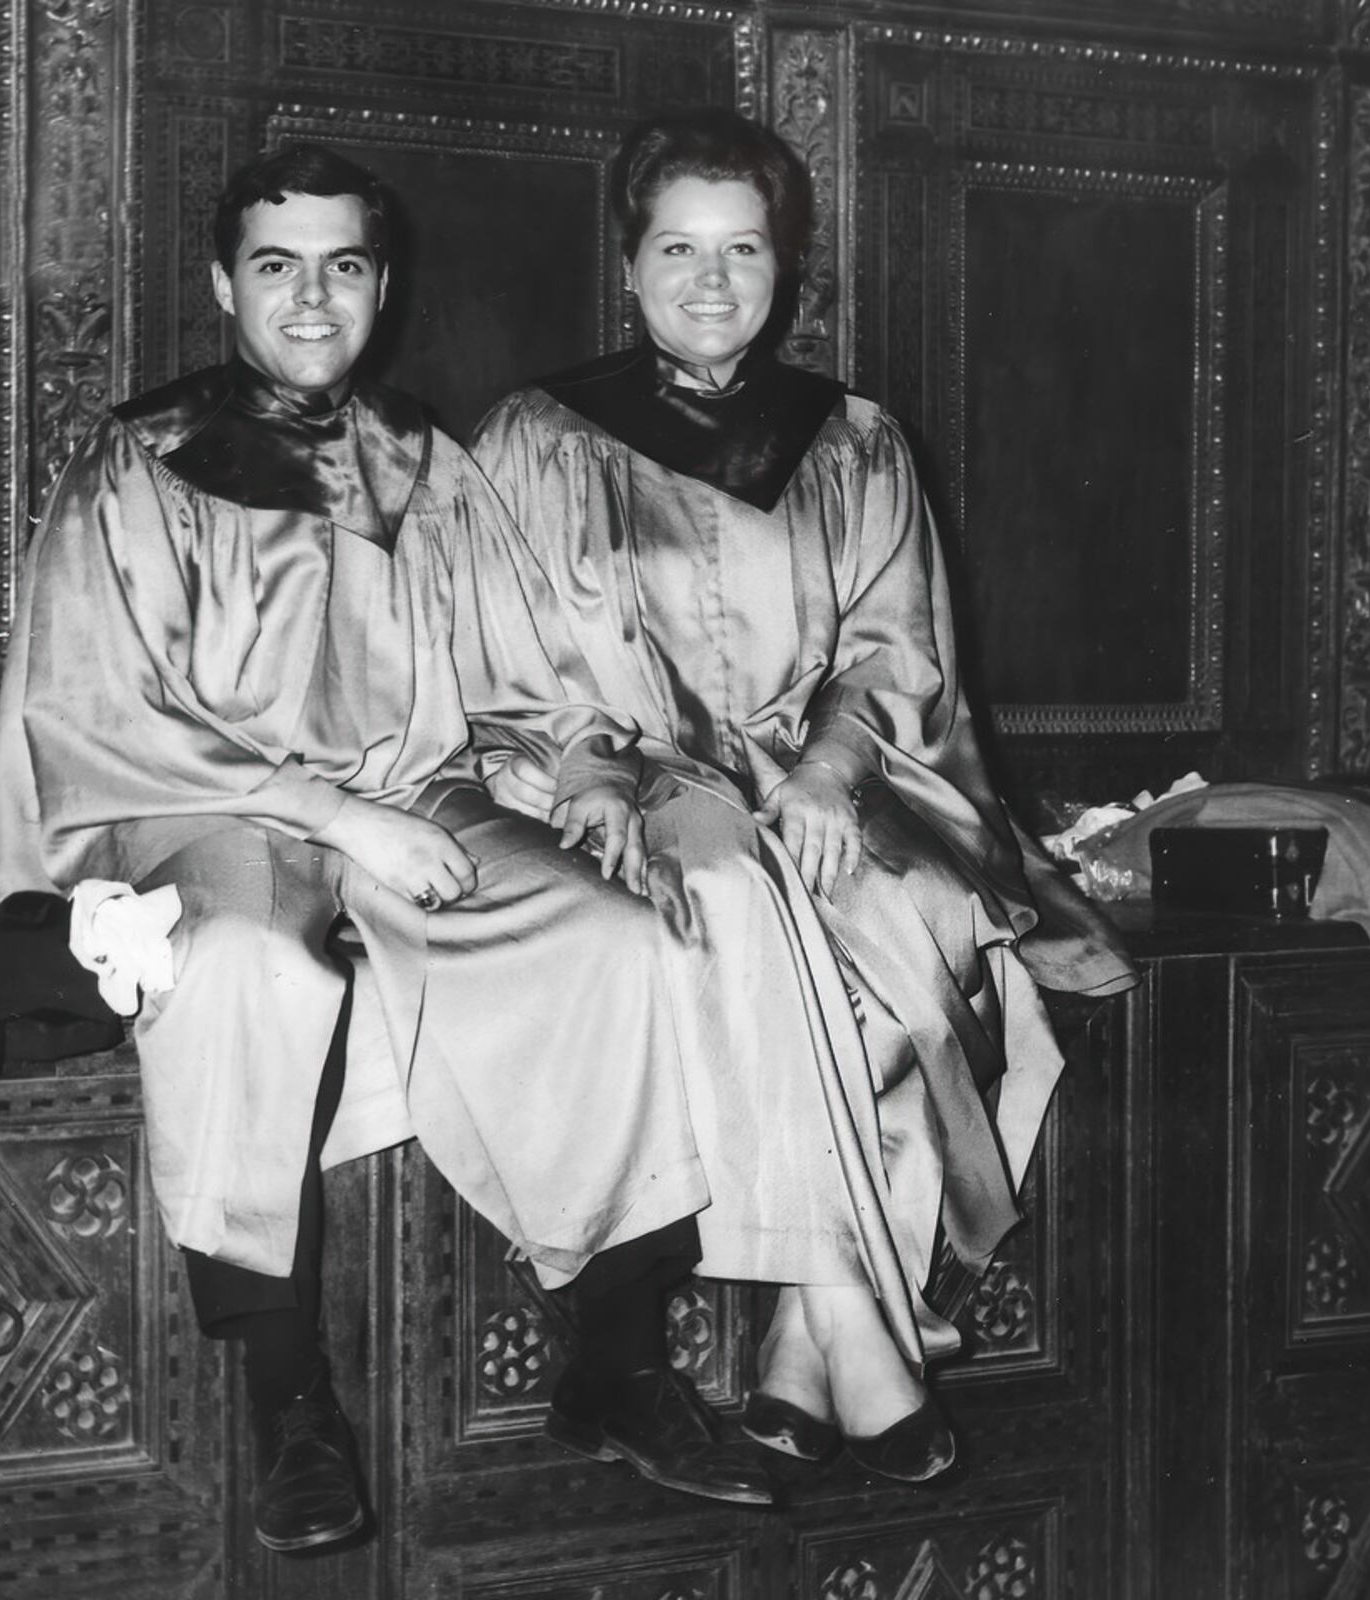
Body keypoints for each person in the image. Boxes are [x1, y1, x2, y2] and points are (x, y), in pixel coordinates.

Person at [0, 140, 774, 1554]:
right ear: (225, 282)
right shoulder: (142, 458)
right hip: (219, 809)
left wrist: (584, 771)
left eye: (343, 267)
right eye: (276, 267)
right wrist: (333, 815)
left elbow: (523, 681)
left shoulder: (427, 462)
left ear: (381, 287)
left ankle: (615, 1357)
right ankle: (292, 1401)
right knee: (241, 969)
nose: (310, 298)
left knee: (615, 939)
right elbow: (95, 707)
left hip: (419, 800)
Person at [470, 108, 1137, 1481]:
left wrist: (834, 770)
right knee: (761, 930)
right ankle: (854, 1327)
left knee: (922, 922)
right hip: (644, 777)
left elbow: (899, 647)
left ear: (787, 267)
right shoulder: (535, 441)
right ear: (630, 262)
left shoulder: (852, 440)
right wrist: (607, 762)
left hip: (828, 768)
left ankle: (795, 1353)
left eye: (744, 251)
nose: (711, 282)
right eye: (679, 248)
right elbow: (511, 668)